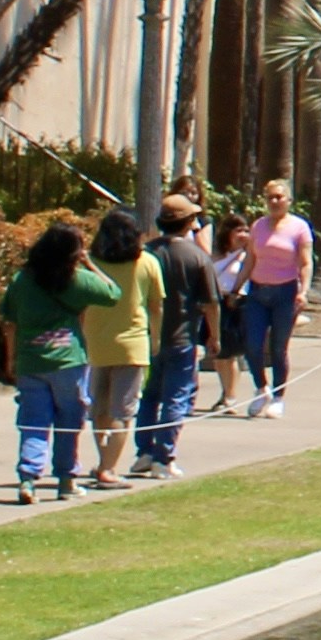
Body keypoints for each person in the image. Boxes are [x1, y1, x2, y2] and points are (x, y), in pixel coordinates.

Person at [6, 215, 112, 499]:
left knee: (33, 422)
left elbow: (10, 321)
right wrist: (91, 265)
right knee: (70, 421)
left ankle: (28, 478)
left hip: (31, 361)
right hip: (69, 362)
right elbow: (113, 294)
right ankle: (66, 480)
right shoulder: (77, 280)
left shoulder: (22, 281)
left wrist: (11, 357)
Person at [141, 195, 219, 477]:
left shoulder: (146, 253)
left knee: (150, 395)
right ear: (186, 223)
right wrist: (215, 336)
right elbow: (211, 303)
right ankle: (164, 456)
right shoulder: (197, 256)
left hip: (149, 337)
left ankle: (145, 451)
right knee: (175, 397)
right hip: (182, 337)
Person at [79, 206, 153, 487]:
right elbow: (155, 305)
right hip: (133, 344)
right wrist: (155, 338)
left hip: (96, 342)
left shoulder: (92, 263)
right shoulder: (146, 262)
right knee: (123, 411)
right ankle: (109, 468)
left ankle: (103, 462)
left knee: (100, 408)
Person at [237, 184, 311, 407]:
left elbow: (306, 263)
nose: (275, 201)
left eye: (279, 197)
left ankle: (279, 396)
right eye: (270, 197)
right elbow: (250, 260)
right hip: (258, 291)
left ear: (289, 200)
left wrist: (303, 291)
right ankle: (261, 388)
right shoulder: (258, 226)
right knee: (252, 345)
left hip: (285, 292)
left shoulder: (299, 227)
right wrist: (236, 288)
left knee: (279, 348)